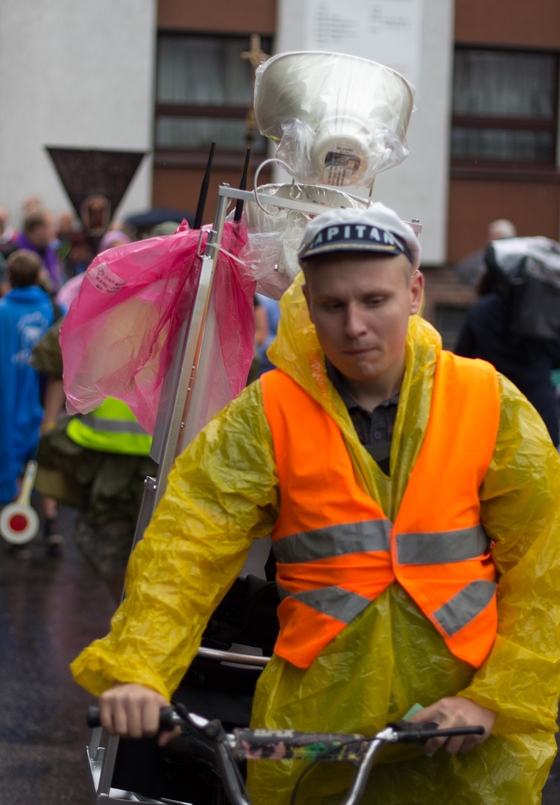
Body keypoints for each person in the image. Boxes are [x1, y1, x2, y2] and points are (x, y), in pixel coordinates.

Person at [71, 203, 560, 805]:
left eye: (374, 301)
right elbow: (186, 546)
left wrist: (494, 697)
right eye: (332, 305)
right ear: (307, 305)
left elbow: (546, 566)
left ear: (414, 292)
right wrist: (139, 671)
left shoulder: (488, 401)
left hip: (460, 729)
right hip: (315, 725)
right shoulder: (270, 412)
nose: (354, 326)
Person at [31, 318, 155, 600]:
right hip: (119, 456)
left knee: (140, 549)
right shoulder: (113, 298)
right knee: (109, 544)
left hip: (151, 456)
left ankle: (136, 617)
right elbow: (59, 351)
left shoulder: (185, 299)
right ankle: (132, 615)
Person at [455, 248, 560, 447]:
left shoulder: (480, 310)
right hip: (538, 410)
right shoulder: (538, 312)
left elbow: (462, 358)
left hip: (496, 407)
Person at [0, 250, 56, 509]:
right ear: (38, 277)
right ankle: (50, 525)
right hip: (46, 401)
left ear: (10, 277)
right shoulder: (54, 310)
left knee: (10, 458)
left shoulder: (3, 311)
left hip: (7, 402)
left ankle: (15, 518)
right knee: (44, 464)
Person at [13, 208, 62, 292]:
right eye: (51, 226)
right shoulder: (15, 256)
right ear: (38, 230)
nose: (54, 231)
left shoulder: (48, 251)